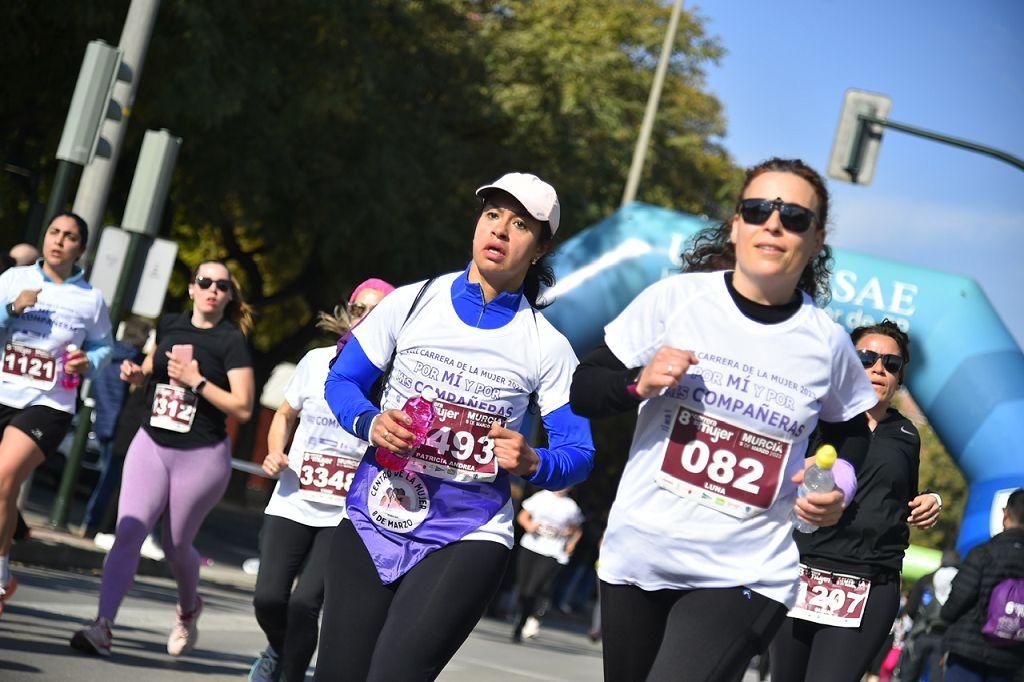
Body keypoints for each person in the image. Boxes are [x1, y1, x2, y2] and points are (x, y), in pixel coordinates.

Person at [569, 157, 880, 682]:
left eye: (795, 216)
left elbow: (851, 430)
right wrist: (638, 383)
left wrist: (838, 487)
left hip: (746, 571)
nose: (774, 223)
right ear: (737, 224)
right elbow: (584, 388)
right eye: (758, 209)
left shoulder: (826, 343)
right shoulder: (676, 301)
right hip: (640, 552)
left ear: (817, 238)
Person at [315, 172, 595, 680]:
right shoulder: (411, 301)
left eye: (520, 225)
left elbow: (579, 451)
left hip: (467, 530)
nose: (501, 231)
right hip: (376, 508)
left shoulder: (547, 346)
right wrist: (370, 420)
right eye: (492, 216)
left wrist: (536, 462)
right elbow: (342, 381)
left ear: (540, 248)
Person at [70, 260, 255, 657]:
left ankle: (188, 610)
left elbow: (243, 407)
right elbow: (152, 366)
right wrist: (138, 375)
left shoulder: (230, 341)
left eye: (222, 286)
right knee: (129, 533)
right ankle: (102, 626)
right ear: (191, 288)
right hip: (151, 442)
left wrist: (197, 381)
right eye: (205, 282)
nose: (213, 290)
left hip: (202, 455)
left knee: (175, 545)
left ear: (229, 297)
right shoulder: (171, 324)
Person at [769, 319, 943, 681]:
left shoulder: (907, 434)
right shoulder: (817, 418)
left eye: (891, 364)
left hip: (868, 583)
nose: (879, 368)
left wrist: (930, 500)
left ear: (900, 377)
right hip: (800, 573)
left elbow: (898, 497)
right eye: (867, 358)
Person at [248, 278, 395, 682]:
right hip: (293, 499)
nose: (366, 318)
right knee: (269, 598)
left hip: (344, 513)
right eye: (360, 309)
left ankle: (290, 675)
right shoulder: (316, 361)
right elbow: (284, 414)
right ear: (348, 312)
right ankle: (278, 648)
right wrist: (275, 453)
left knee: (304, 605)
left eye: (378, 312)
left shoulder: (393, 378)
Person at [0, 213, 113, 617]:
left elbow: (103, 345)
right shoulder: (13, 280)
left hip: (50, 402)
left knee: (4, 475)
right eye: (54, 233)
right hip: (3, 391)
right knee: (3, 490)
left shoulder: (91, 299)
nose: (59, 242)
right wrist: (13, 308)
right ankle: (6, 572)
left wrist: (89, 362)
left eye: (70, 237)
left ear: (81, 249)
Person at [78, 316, 152, 538]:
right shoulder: (135, 362)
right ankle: (93, 523)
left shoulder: (108, 355)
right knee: (111, 480)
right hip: (122, 426)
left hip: (103, 421)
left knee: (105, 477)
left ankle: (90, 522)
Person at [940, 489, 1024, 681]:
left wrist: (945, 618)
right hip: (1011, 658)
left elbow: (958, 600)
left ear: (1006, 514)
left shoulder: (983, 553)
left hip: (967, 651)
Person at [511, 487, 583, 642]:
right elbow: (523, 516)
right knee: (523, 588)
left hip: (552, 550)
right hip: (531, 545)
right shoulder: (541, 496)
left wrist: (571, 543)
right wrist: (529, 525)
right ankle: (522, 614)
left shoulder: (571, 506)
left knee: (534, 588)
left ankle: (521, 625)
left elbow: (577, 530)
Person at [899, 550, 960, 681]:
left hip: (920, 633)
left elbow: (911, 608)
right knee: (937, 677)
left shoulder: (927, 579)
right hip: (945, 638)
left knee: (908, 675)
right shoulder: (961, 583)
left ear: (941, 561)